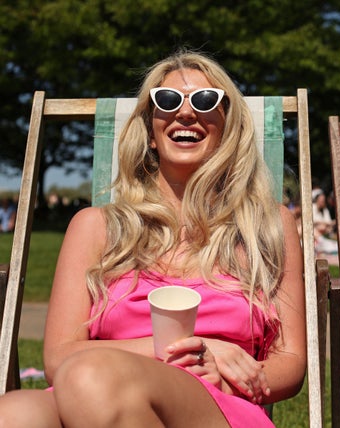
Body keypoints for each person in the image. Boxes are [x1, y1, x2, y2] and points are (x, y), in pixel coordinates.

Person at [0, 50, 306, 427]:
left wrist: (228, 376)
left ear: (229, 126)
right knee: (13, 413)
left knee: (90, 375)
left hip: (216, 404)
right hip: (90, 390)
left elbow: (290, 363)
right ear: (149, 132)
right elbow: (58, 358)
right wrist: (192, 349)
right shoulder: (95, 227)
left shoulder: (266, 225)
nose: (186, 112)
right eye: (167, 100)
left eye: (206, 100)